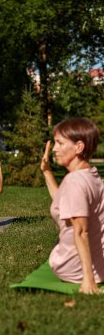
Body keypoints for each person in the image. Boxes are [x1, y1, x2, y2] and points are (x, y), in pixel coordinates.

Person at [41, 117, 104, 294]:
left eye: (60, 143)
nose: (54, 149)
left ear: (79, 147)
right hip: (101, 266)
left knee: (61, 241)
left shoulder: (74, 182)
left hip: (73, 271)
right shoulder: (91, 175)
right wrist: (47, 172)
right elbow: (64, 201)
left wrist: (88, 280)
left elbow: (80, 231)